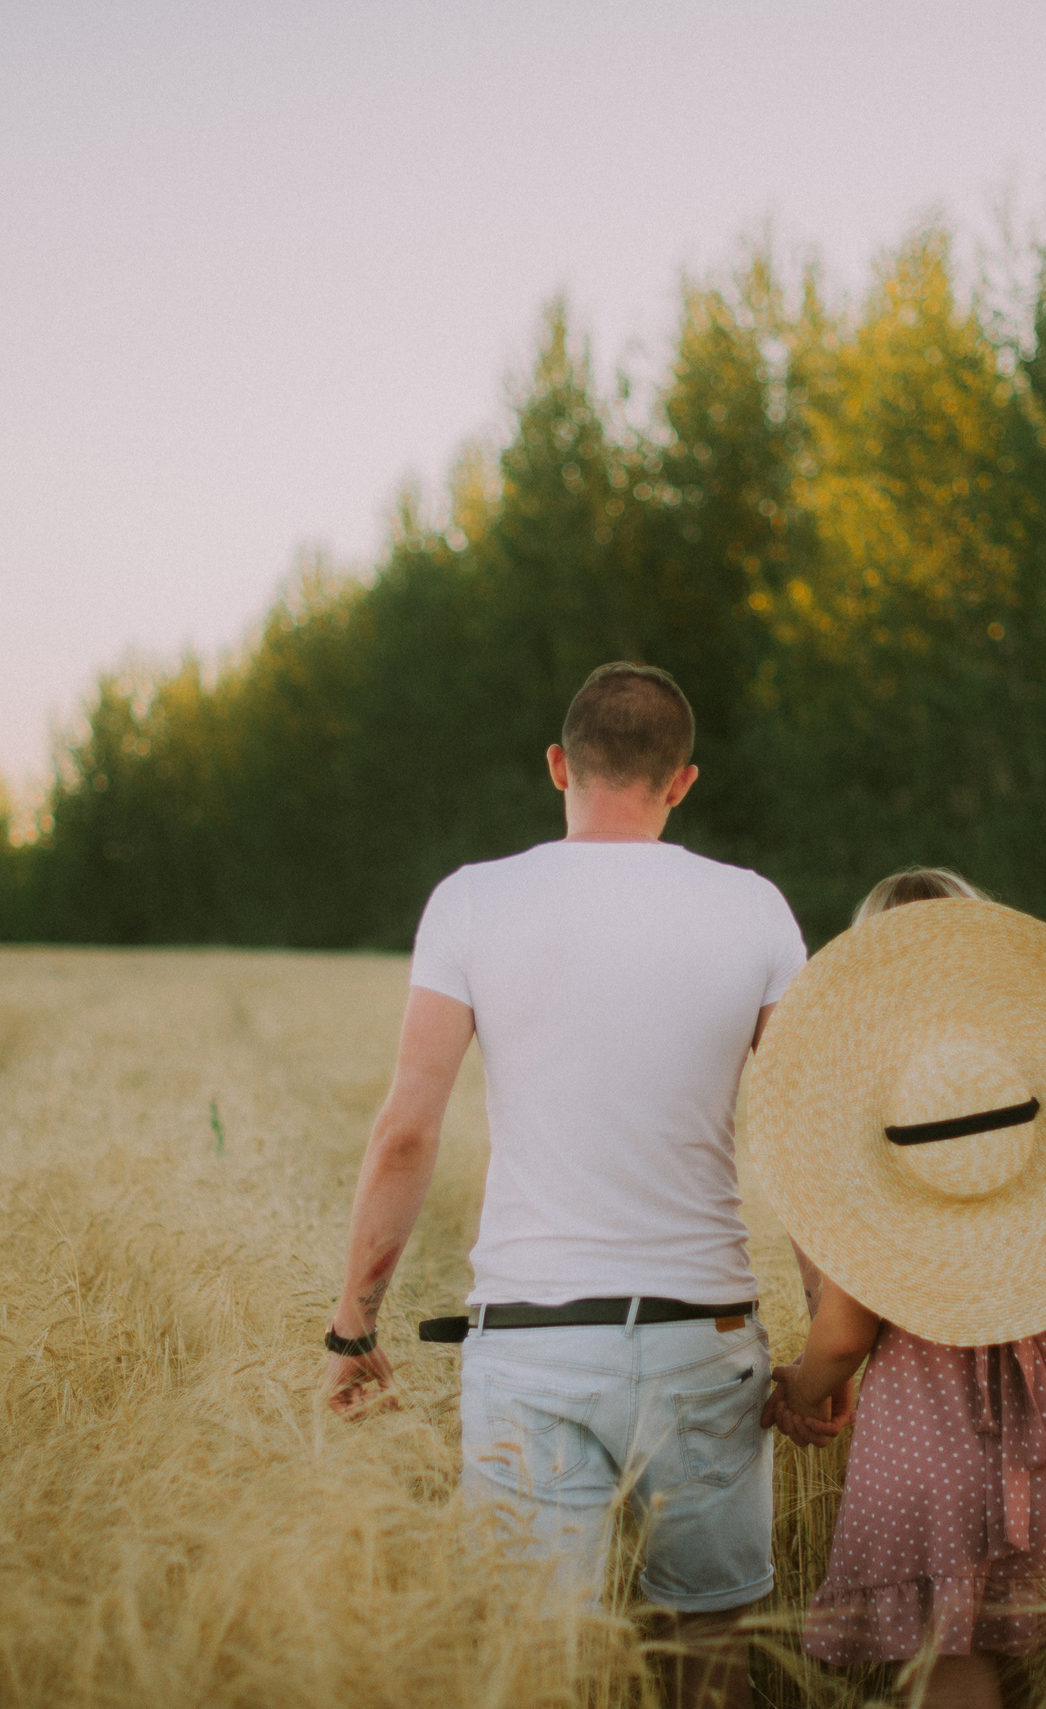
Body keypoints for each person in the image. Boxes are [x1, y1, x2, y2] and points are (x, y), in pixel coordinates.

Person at [321, 661, 807, 1709]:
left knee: (532, 1661)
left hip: (534, 1341)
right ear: (682, 782)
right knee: (708, 1650)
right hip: (706, 1336)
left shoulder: (471, 899)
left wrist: (353, 1324)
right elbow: (817, 1136)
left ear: (557, 764)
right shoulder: (756, 908)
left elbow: (407, 1131)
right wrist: (836, 1331)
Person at [743, 870, 1046, 1709]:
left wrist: (797, 1394)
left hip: (925, 1454)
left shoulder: (871, 1121)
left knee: (953, 1677)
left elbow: (844, 1336)